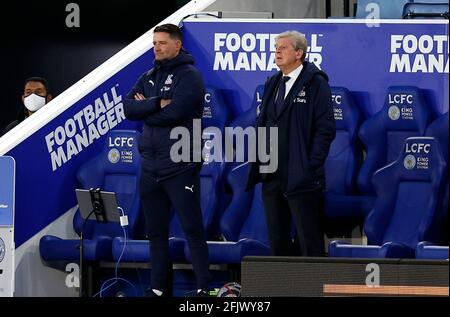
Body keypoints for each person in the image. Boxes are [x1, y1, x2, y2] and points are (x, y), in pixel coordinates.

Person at [123, 24, 210, 297]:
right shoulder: (149, 75)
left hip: (180, 165)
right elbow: (128, 108)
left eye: (162, 42)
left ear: (177, 44)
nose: (156, 47)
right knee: (155, 233)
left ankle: (203, 291)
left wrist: (146, 108)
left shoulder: (191, 76)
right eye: (154, 43)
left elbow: (176, 113)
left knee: (193, 230)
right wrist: (157, 103)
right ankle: (158, 289)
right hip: (150, 166)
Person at [247, 31, 336, 257]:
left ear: (299, 53)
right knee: (277, 240)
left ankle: (313, 290)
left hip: (302, 175)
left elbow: (325, 129)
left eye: (283, 47)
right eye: (276, 47)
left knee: (309, 241)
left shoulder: (316, 84)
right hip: (272, 172)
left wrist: (310, 165)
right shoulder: (273, 82)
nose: (277, 51)